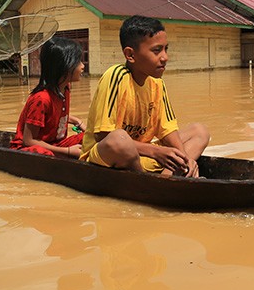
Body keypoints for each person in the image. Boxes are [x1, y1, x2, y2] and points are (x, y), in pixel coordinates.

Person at [79, 15, 209, 177]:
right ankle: (147, 182)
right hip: (108, 157)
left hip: (141, 153)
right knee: (119, 138)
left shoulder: (157, 83)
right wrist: (156, 151)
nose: (164, 57)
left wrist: (184, 159)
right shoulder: (116, 77)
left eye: (165, 49)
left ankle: (168, 177)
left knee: (199, 131)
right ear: (130, 55)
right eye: (156, 50)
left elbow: (168, 130)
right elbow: (103, 135)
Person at [9, 37, 86, 158]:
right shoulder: (41, 99)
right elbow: (28, 141)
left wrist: (77, 121)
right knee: (45, 154)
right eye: (78, 62)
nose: (82, 66)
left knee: (89, 137)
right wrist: (68, 151)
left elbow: (53, 115)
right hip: (28, 148)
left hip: (56, 143)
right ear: (64, 66)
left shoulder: (65, 88)